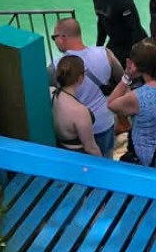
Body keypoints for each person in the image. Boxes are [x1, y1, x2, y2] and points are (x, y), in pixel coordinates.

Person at [107, 39, 156, 172]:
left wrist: (126, 76)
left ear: (136, 67)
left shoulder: (138, 97)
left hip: (150, 160)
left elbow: (111, 104)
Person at [49, 18, 123, 158]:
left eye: (54, 37)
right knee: (106, 160)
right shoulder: (105, 53)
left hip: (74, 132)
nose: (55, 41)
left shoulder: (56, 66)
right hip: (104, 123)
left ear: (62, 37)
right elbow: (121, 79)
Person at [86, 0, 147, 66]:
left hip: (131, 43)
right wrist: (99, 47)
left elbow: (135, 29)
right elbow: (101, 22)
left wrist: (134, 58)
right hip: (115, 41)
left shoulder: (122, 1)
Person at [51, 55, 102, 157]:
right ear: (80, 78)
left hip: (60, 149)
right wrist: (105, 165)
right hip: (78, 155)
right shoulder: (80, 111)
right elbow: (90, 147)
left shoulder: (51, 93)